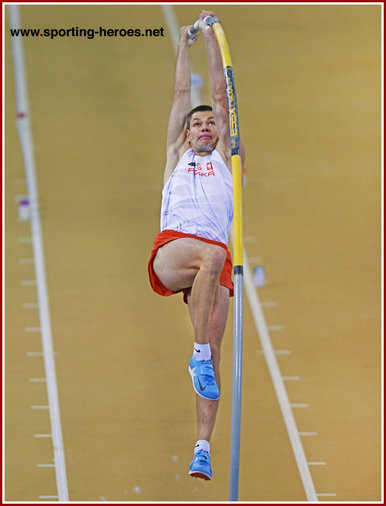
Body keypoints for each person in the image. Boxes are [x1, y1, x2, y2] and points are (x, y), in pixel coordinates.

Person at [147, 10, 245, 481]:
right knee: (214, 253)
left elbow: (222, 94)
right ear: (186, 134)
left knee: (215, 361)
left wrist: (213, 35)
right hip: (174, 251)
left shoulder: (225, 157)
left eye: (210, 124)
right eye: (198, 125)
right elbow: (183, 93)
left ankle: (201, 446)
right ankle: (198, 353)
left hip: (214, 266)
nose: (205, 127)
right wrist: (186, 43)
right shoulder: (177, 155)